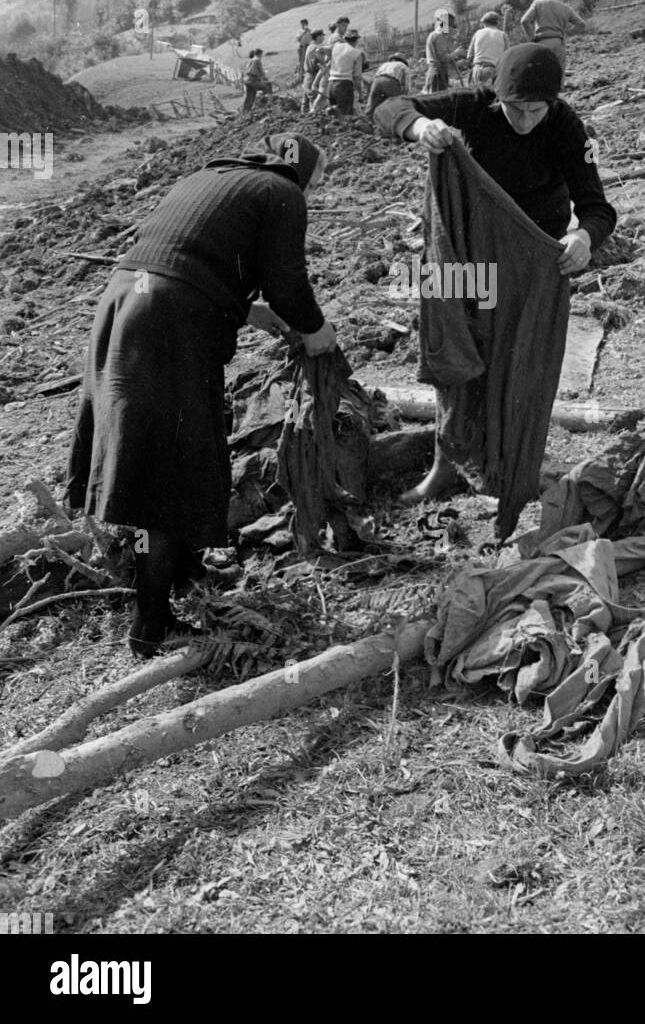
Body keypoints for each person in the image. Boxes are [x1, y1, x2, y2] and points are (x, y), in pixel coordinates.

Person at [66, 134, 337, 659]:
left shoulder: (212, 176)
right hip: (168, 321)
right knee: (166, 476)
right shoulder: (283, 192)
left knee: (150, 464)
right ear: (301, 172)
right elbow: (287, 281)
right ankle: (151, 624)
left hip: (127, 303)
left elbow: (186, 256)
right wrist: (315, 329)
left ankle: (181, 570)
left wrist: (246, 309)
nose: (310, 195)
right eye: (314, 185)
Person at [372, 42, 616, 503]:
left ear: (553, 102)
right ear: (497, 96)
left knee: (516, 361)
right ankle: (445, 466)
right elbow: (387, 107)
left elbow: (597, 207)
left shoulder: (566, 128)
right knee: (454, 352)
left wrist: (584, 238)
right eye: (514, 108)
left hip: (529, 265)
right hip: (463, 257)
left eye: (536, 109)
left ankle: (506, 464)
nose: (524, 120)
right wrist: (421, 126)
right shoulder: (472, 104)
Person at [520, 0, 587, 72]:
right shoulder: (566, 8)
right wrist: (567, 33)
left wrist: (532, 38)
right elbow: (581, 25)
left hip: (542, 43)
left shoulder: (538, 3)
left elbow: (524, 21)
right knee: (558, 73)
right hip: (558, 43)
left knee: (541, 73)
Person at [324, 26, 364, 116]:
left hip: (331, 84)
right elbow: (357, 77)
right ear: (356, 40)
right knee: (346, 116)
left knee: (333, 116)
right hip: (344, 86)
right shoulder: (356, 53)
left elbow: (321, 50)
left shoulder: (336, 46)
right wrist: (360, 94)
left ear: (345, 39)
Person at [466, 10, 508, 86]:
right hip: (492, 70)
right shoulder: (502, 35)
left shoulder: (478, 33)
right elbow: (507, 56)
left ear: (484, 23)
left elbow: (469, 56)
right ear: (497, 22)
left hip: (477, 69)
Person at [424, 9, 458, 92]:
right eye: (452, 27)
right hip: (438, 74)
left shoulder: (434, 34)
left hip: (434, 72)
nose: (453, 30)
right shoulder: (440, 37)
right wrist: (456, 53)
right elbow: (443, 58)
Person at [366, 52, 410, 116]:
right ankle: (397, 117)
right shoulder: (403, 66)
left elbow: (375, 76)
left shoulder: (385, 64)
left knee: (372, 101)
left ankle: (367, 118)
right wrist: (405, 96)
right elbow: (406, 84)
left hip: (377, 80)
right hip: (390, 80)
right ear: (403, 60)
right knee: (397, 102)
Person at [303, 28, 330, 109]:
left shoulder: (310, 47)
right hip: (314, 77)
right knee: (317, 104)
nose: (323, 38)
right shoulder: (316, 48)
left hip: (308, 77)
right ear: (318, 37)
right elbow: (323, 62)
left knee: (308, 102)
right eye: (322, 36)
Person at [243, 48, 270, 112]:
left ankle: (246, 111)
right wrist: (265, 77)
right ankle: (263, 104)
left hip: (247, 80)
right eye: (261, 54)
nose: (262, 56)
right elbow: (260, 71)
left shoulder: (251, 60)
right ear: (259, 54)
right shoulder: (257, 60)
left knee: (250, 96)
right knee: (266, 88)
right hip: (252, 80)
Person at [296, 19, 311, 83]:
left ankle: (306, 75)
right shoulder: (299, 31)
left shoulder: (310, 31)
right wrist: (303, 33)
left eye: (304, 24)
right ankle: (299, 76)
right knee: (301, 61)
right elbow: (298, 39)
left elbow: (311, 39)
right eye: (302, 24)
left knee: (307, 61)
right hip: (301, 47)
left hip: (307, 47)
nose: (303, 25)